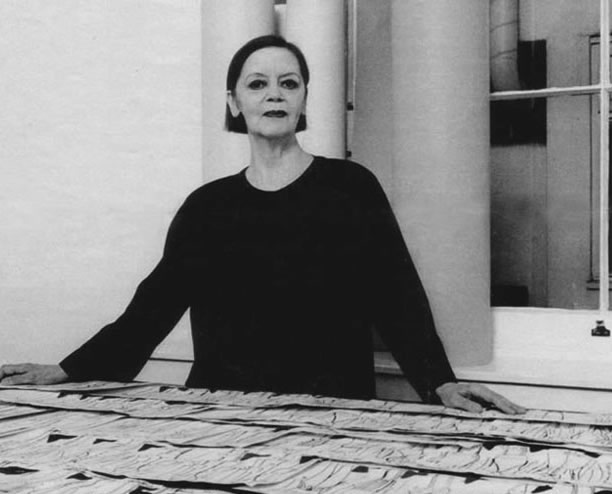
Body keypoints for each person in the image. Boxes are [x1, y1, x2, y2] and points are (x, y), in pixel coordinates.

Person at [0, 35, 524, 415]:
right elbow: (150, 312)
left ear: (302, 100)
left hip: (329, 416)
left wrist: (440, 383)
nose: (275, 94)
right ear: (235, 102)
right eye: (257, 84)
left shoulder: (350, 187)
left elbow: (398, 298)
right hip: (221, 415)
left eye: (288, 83)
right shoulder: (206, 207)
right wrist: (68, 369)